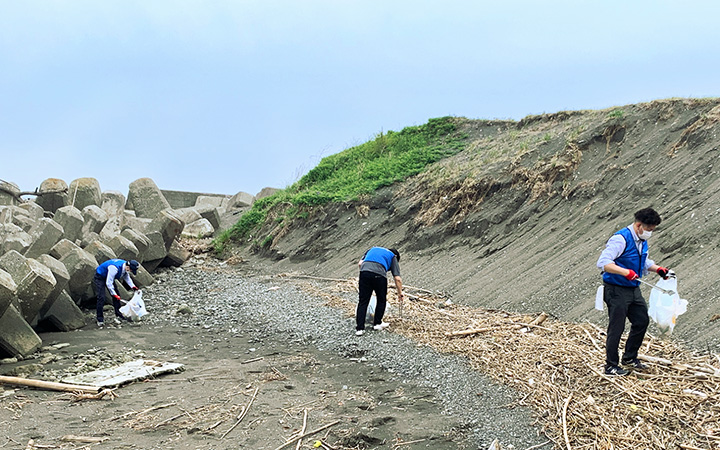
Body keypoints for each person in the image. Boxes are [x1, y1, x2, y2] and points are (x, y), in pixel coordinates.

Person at [596, 208, 673, 376]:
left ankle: (630, 358)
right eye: (649, 229)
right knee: (617, 327)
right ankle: (610, 366)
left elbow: (643, 261)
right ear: (639, 225)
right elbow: (603, 263)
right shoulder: (620, 239)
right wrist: (626, 272)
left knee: (641, 321)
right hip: (616, 289)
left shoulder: (641, 239)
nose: (650, 233)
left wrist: (658, 269)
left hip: (633, 289)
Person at [356, 247, 404, 336]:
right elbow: (397, 278)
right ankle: (377, 324)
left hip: (364, 273)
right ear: (396, 256)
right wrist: (400, 293)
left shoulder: (371, 249)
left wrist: (367, 274)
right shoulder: (393, 256)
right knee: (381, 299)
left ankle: (360, 329)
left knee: (363, 301)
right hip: (379, 275)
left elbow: (360, 264)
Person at [94, 259, 140, 327]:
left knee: (117, 296)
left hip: (109, 277)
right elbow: (109, 283)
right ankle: (100, 319)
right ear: (128, 267)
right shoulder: (114, 268)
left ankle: (119, 314)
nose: (131, 271)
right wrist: (113, 294)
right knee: (101, 298)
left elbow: (127, 277)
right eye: (131, 270)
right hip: (100, 277)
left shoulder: (125, 267)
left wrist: (133, 287)